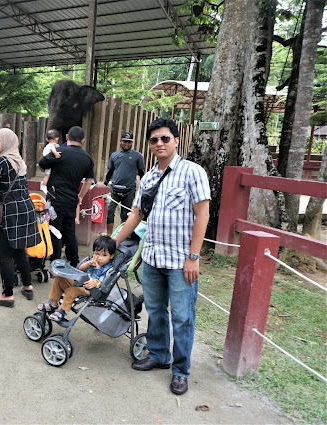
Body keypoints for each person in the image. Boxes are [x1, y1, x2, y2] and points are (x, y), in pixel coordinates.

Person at [113, 118, 210, 396]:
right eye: (154, 140)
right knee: (155, 312)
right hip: (153, 258)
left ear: (176, 140)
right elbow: (136, 216)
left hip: (181, 262)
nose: (159, 144)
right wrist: (113, 243)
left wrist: (194, 256)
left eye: (165, 138)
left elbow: (202, 215)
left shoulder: (193, 172)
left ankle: (180, 371)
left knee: (182, 318)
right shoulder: (149, 178)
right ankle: (159, 355)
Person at [0, 128, 41, 307]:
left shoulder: (0, 162)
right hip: (26, 208)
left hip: (9, 211)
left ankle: (7, 294)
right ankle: (28, 286)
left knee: (4, 253)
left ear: (8, 142)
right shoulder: (18, 161)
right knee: (19, 249)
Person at [38, 126, 94, 267]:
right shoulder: (87, 158)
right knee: (69, 231)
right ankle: (73, 260)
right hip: (72, 200)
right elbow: (89, 180)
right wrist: (80, 196)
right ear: (83, 140)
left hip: (56, 199)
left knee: (55, 230)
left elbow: (42, 165)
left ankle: (55, 261)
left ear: (67, 136)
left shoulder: (59, 152)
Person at [38, 236, 116, 321]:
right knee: (59, 278)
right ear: (93, 252)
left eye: (104, 255)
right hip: (79, 282)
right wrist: (89, 264)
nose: (100, 258)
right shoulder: (93, 261)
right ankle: (53, 304)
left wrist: (95, 283)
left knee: (71, 291)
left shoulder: (109, 269)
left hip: (90, 290)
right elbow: (80, 269)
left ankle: (61, 311)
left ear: (111, 256)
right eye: (97, 254)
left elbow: (105, 282)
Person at [103, 131, 145, 235]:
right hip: (115, 189)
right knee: (110, 212)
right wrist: (104, 184)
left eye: (129, 142)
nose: (126, 144)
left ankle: (121, 235)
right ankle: (109, 235)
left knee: (125, 214)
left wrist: (144, 188)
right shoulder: (114, 155)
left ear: (132, 143)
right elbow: (110, 171)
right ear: (120, 141)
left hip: (129, 189)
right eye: (125, 141)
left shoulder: (137, 156)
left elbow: (142, 173)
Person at [39, 129, 61, 195]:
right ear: (57, 138)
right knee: (47, 175)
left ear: (47, 139)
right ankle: (43, 185)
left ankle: (44, 183)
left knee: (47, 174)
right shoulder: (53, 145)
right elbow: (53, 149)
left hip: (45, 161)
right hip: (49, 162)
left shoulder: (47, 145)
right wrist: (56, 153)